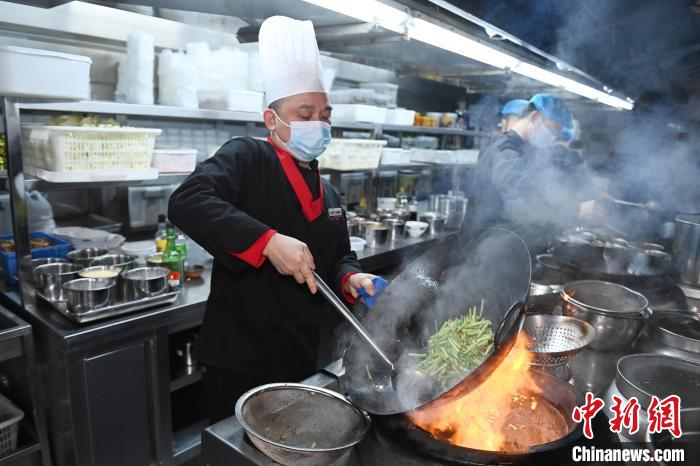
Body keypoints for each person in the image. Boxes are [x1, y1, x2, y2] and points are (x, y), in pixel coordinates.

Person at [168, 16, 382, 423]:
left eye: (325, 114)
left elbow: (337, 257)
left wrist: (350, 276)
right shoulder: (247, 157)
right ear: (272, 119)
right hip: (241, 359)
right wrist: (267, 241)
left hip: (300, 353)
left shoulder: (330, 192)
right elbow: (187, 200)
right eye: (305, 113)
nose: (318, 123)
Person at [470, 94, 579, 250]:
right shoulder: (504, 151)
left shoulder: (528, 151)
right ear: (535, 118)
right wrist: (574, 211)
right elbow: (520, 203)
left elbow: (538, 192)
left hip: (505, 245)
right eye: (554, 129)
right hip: (483, 249)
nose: (554, 137)